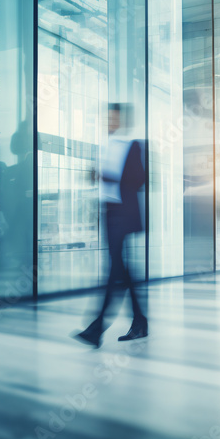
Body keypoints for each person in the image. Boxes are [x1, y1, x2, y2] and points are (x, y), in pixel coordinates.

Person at [75, 103, 147, 348]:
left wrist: (105, 176)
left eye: (113, 118)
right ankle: (140, 322)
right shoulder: (105, 147)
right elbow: (101, 179)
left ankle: (97, 328)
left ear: (122, 120)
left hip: (124, 214)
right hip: (109, 212)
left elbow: (140, 179)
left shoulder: (133, 145)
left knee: (115, 271)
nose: (110, 122)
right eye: (107, 119)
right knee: (122, 271)